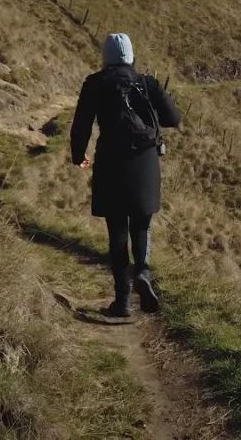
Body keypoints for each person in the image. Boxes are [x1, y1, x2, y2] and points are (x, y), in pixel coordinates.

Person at [70, 33, 182, 317]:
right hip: (145, 162)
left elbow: (82, 123)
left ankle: (123, 302)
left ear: (105, 57)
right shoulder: (147, 83)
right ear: (131, 56)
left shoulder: (94, 83)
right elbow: (174, 119)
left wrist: (78, 155)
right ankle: (143, 271)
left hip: (111, 163)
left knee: (117, 232)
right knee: (141, 227)